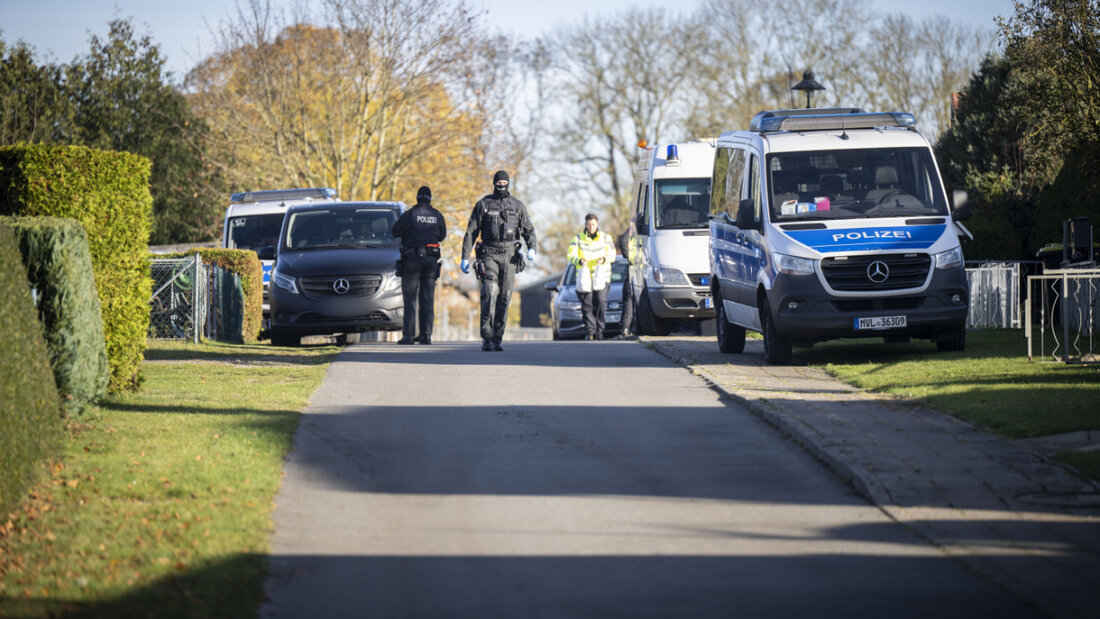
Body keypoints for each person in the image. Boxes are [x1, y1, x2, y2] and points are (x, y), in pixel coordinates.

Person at [460, 170, 537, 351]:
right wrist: (464, 256)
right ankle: (486, 337)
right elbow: (471, 232)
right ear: (494, 183)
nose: (501, 185)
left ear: (508, 183)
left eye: (504, 182)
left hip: (510, 256)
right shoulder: (484, 205)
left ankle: (497, 337)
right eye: (498, 182)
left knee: (505, 296)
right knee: (490, 292)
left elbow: (529, 229)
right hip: (490, 253)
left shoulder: (518, 206)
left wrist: (532, 247)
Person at [392, 186, 446, 345]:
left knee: (410, 299)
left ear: (417, 198)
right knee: (427, 299)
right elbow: (442, 236)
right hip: (430, 261)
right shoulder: (437, 216)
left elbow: (395, 231)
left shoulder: (410, 215)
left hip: (412, 260)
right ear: (430, 198)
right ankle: (426, 336)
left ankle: (408, 336)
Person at [567, 213, 616, 340]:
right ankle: (590, 332)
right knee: (587, 305)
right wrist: (579, 261)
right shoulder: (577, 239)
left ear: (597, 224)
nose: (591, 227)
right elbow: (570, 255)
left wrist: (604, 259)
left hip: (602, 277)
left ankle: (600, 330)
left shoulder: (606, 238)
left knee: (601, 302)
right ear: (585, 225)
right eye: (589, 225)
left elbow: (612, 255)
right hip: (585, 278)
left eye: (593, 225)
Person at [616, 224, 637, 338]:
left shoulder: (633, 228)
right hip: (643, 267)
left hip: (634, 267)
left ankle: (625, 328)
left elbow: (623, 242)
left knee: (629, 299)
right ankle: (629, 327)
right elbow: (623, 242)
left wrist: (630, 258)